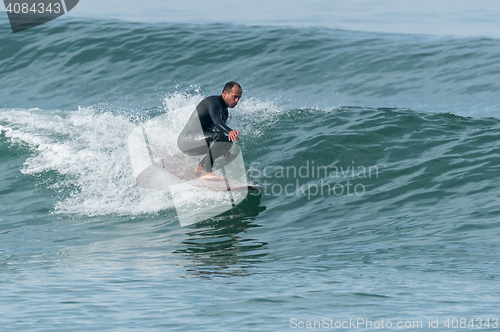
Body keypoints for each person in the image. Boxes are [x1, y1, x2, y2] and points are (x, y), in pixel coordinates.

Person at [177, 81, 242, 180]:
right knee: (220, 136)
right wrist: (230, 131)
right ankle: (207, 172)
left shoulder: (224, 111)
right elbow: (217, 122)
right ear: (225, 94)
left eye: (239, 98)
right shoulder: (212, 103)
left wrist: (225, 152)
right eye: (234, 97)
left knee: (228, 140)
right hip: (186, 140)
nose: (236, 100)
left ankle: (200, 167)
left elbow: (217, 134)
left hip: (198, 141)